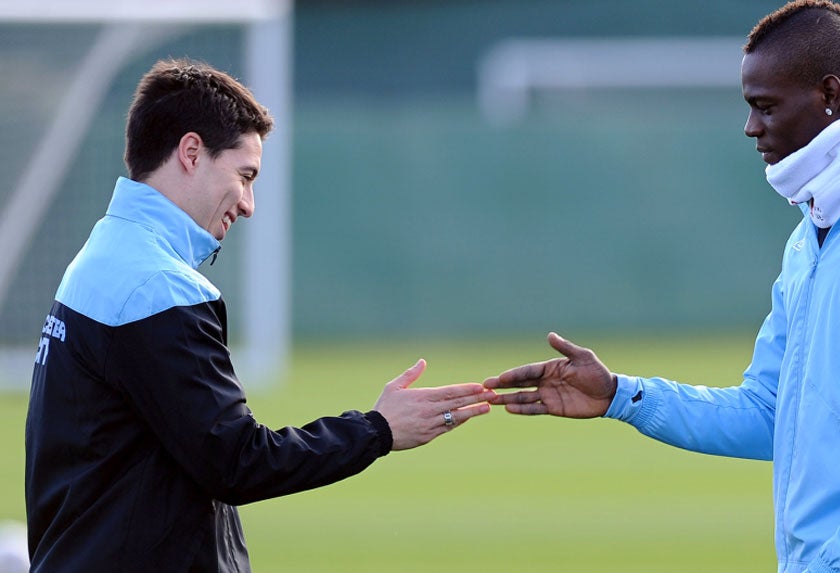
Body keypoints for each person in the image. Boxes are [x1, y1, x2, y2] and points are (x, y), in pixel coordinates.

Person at [485, 2, 840, 572]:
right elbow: (769, 412)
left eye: (765, 107)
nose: (751, 127)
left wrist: (833, 567)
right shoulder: (815, 231)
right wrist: (621, 395)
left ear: (829, 94)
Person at [25, 58, 494, 572]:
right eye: (245, 175)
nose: (248, 204)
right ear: (190, 152)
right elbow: (237, 461)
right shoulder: (157, 285)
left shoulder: (101, 256)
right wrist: (377, 429)